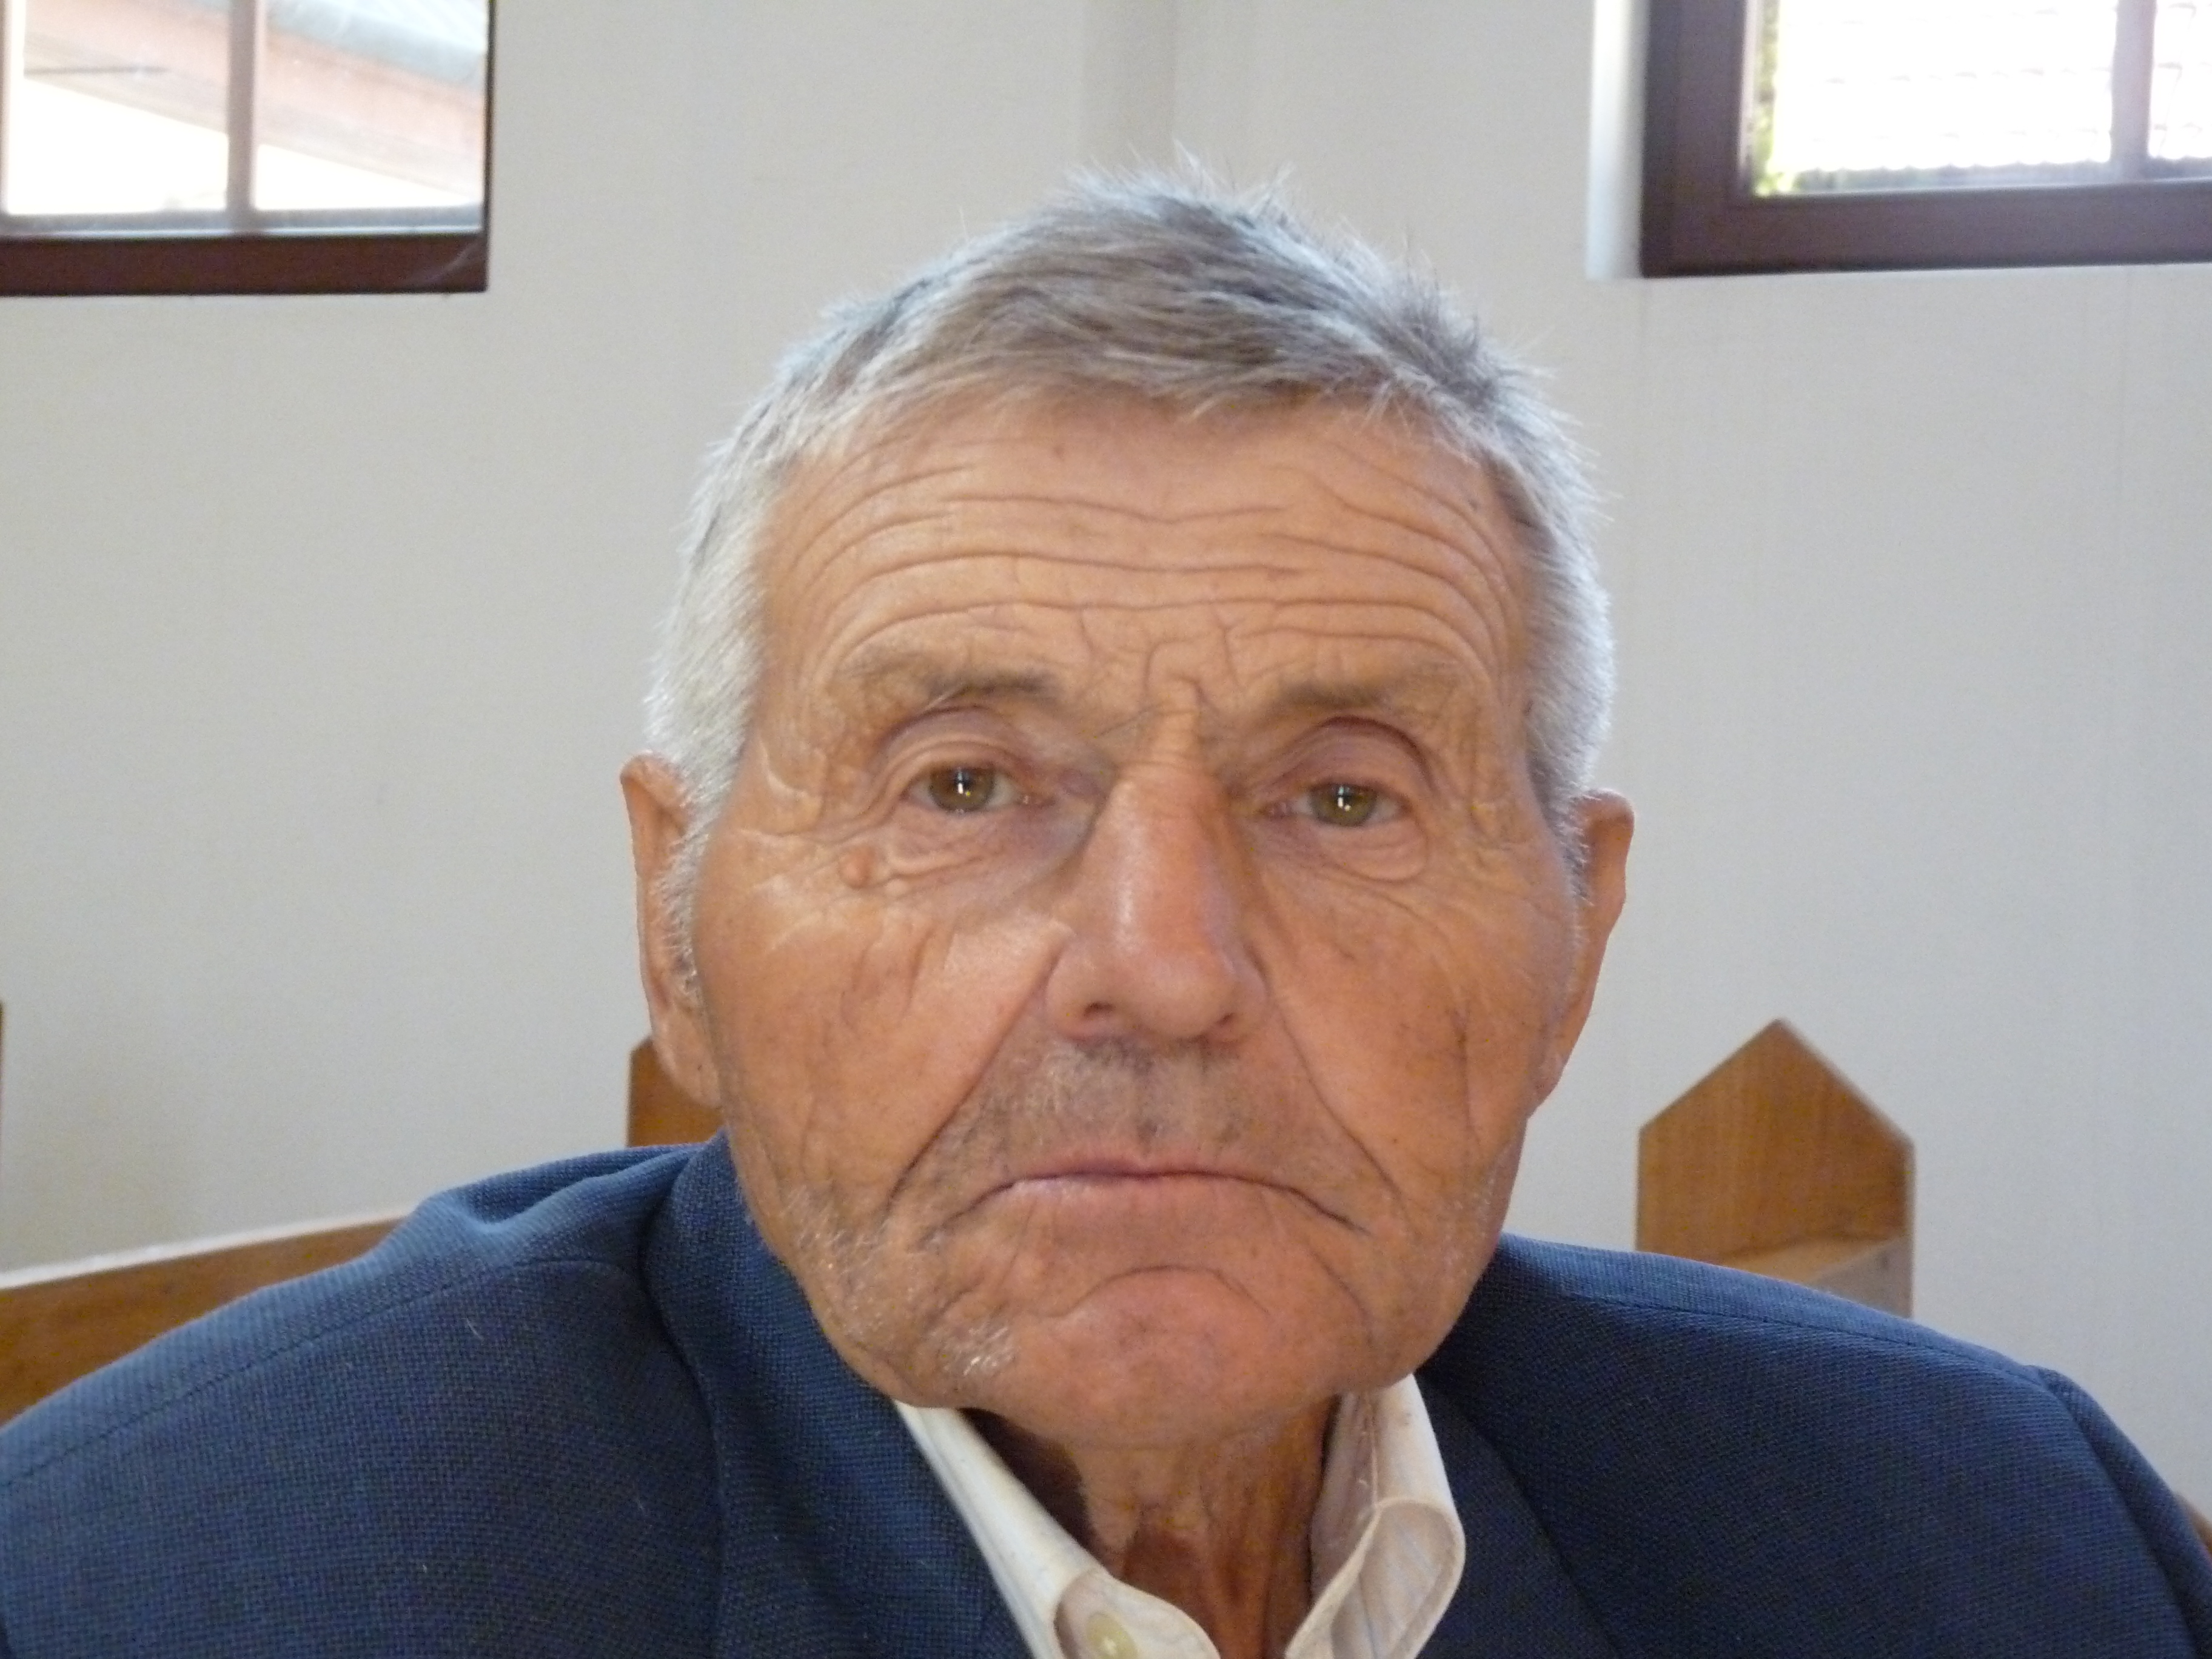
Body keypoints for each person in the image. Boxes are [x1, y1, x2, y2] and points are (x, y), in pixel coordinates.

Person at [2, 179, 2207, 1659]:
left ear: (1578, 931)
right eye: (964, 786)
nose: (1162, 969)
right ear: (677, 930)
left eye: (1342, 797)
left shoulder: (2010, 1547)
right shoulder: (149, 1588)